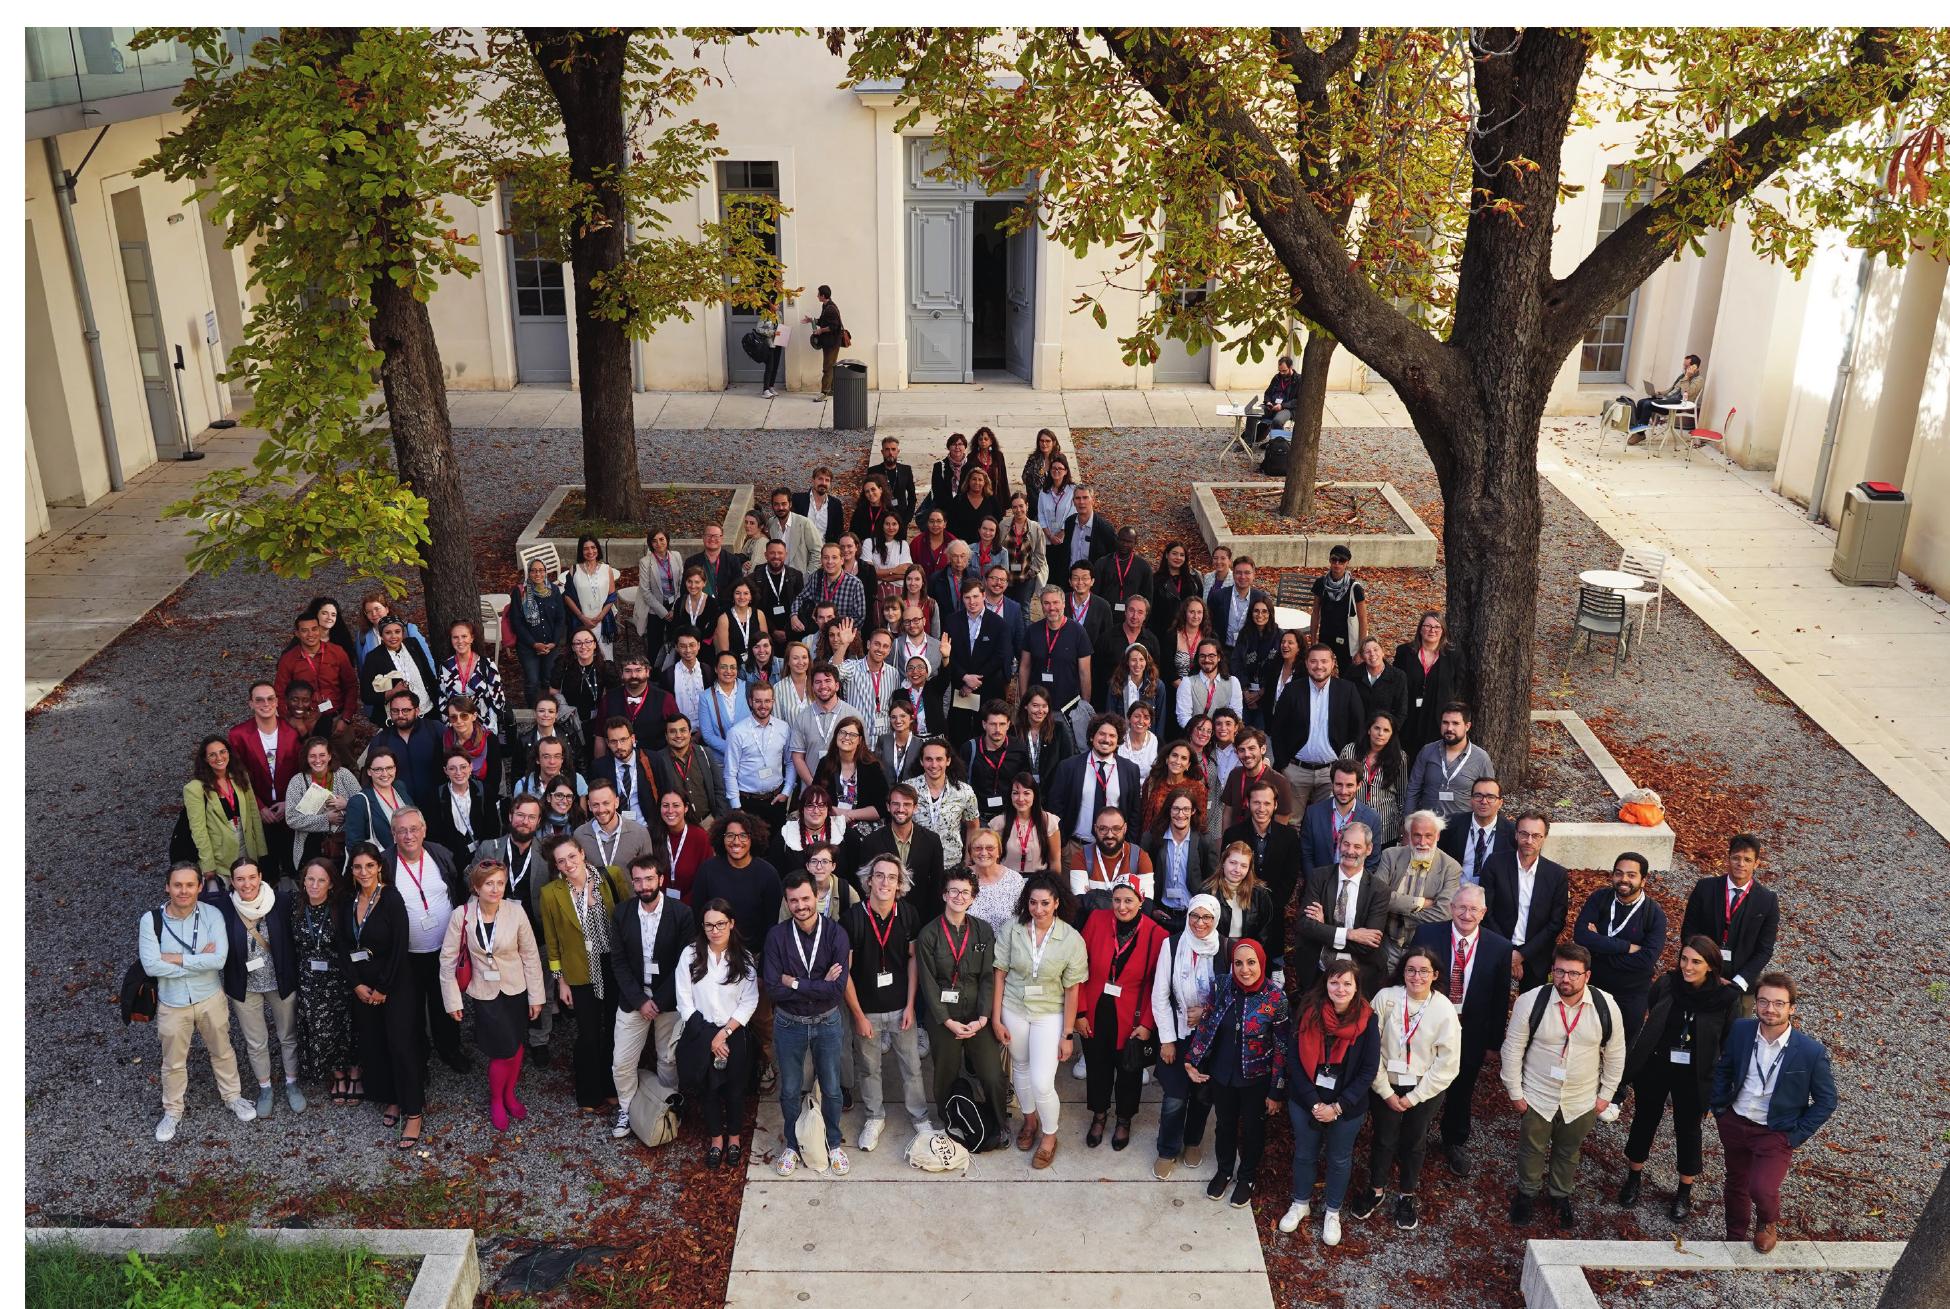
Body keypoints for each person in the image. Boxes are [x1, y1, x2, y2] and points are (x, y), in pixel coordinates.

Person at [1500, 943, 1627, 1227]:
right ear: (1552, 971)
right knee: (1531, 1148)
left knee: (1568, 1151)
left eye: (1573, 973)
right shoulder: (1531, 1002)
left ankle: (1560, 1194)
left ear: (1587, 976)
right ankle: (1527, 1194)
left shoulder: (1606, 1006)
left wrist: (1605, 1096)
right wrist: (1515, 1093)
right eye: (1559, 971)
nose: (1565, 979)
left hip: (1581, 1098)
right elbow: (1512, 1050)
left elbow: (1616, 1054)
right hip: (1537, 1094)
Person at [1709, 973, 1837, 1251]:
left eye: (1779, 1003)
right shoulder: (1741, 1030)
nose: (1770, 1009)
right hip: (1735, 1121)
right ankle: (1734, 1236)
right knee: (1736, 1182)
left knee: (1762, 1188)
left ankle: (1767, 1222)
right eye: (1764, 1001)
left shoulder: (1810, 1051)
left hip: (1775, 1132)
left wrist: (1796, 1136)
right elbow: (1724, 1068)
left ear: (1792, 1008)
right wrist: (1719, 1107)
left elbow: (1827, 1100)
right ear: (1755, 1003)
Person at [1617, 936, 1738, 1219]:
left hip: (1695, 1074)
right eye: (1684, 959)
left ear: (1711, 966)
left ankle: (1684, 1191)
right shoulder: (1667, 984)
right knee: (1644, 1120)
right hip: (1657, 1065)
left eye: (1696, 961)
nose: (1687, 966)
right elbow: (1653, 1009)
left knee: (1688, 1130)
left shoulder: (1727, 998)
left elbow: (1729, 1043)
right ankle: (1633, 1178)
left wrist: (1719, 1089)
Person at [1345, 947, 1461, 1231]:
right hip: (1385, 1083)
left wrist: (1413, 1097)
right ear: (1403, 972)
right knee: (1383, 1138)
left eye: (1424, 971)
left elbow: (1448, 1062)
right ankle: (1376, 1190)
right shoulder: (1386, 999)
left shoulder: (1443, 1008)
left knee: (1414, 1141)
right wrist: (1385, 1091)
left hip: (1424, 1088)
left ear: (1434, 975)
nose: (1417, 976)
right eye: (1411, 970)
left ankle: (1407, 1195)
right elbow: (1370, 1049)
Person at [141, 863, 257, 1141]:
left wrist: (175, 958)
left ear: (199, 887)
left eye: (190, 885)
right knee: (173, 1061)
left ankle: (233, 1097)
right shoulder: (151, 920)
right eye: (178, 885)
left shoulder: (212, 915)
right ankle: (172, 1111)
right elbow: (150, 966)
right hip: (172, 1002)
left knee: (222, 1049)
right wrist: (197, 962)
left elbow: (218, 960)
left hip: (209, 997)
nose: (184, 891)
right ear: (167, 886)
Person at [1410, 884, 1514, 1178]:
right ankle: (1413, 1137)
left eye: (1473, 909)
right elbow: (1412, 979)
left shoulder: (1499, 947)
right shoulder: (1427, 935)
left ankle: (1454, 1141)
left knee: (1462, 1085)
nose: (1466, 914)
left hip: (1472, 1030)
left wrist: (1494, 1041)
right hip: (1429, 1025)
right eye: (1461, 907)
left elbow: (1499, 996)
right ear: (1452, 908)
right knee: (1421, 1079)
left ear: (1483, 913)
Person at [1274, 957, 1378, 1242]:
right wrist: (1314, 1104)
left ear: (1357, 987)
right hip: (1306, 1099)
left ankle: (1332, 1211)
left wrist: (1338, 1107)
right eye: (1334, 982)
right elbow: (1293, 1061)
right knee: (1304, 1154)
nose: (1340, 989)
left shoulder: (1368, 1019)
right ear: (1326, 983)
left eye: (1347, 983)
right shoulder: (1308, 1011)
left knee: (1340, 1159)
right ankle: (1301, 1203)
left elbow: (1369, 1069)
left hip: (1347, 1106)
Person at [440, 859, 546, 1133]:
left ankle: (511, 1093)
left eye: (500, 883)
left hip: (516, 989)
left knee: (517, 1044)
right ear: (476, 887)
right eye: (489, 883)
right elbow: (448, 960)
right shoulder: (461, 916)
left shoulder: (515, 912)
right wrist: (452, 1000)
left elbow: (531, 955)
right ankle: (498, 1099)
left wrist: (537, 996)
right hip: (485, 993)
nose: (496, 889)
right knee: (503, 1050)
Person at [1186, 938, 1291, 1209]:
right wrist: (1192, 1059)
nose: (1245, 969)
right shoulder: (1222, 986)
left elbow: (1282, 1047)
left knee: (1254, 1128)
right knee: (1224, 1125)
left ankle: (1247, 1177)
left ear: (1262, 963)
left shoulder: (1275, 998)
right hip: (1223, 1074)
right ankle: (1224, 1170)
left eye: (1251, 962)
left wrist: (1276, 1090)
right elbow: (1207, 1023)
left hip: (1256, 1078)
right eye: (1239, 963)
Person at [993, 873, 1088, 1169]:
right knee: (1019, 1067)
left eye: (1045, 903)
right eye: (1033, 903)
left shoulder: (1071, 938)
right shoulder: (1012, 929)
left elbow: (1073, 989)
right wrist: (996, 1018)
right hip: (1014, 1007)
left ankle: (1049, 1136)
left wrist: (1067, 1034)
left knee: (1042, 1081)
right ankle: (1029, 1121)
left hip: (1049, 1013)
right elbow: (1000, 973)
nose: (1039, 909)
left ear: (1057, 903)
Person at [765, 870, 854, 1176]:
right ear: (787, 902)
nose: (800, 905)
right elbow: (773, 988)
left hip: (827, 1021)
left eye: (805, 898)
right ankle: (792, 1144)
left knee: (831, 1087)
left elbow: (837, 988)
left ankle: (833, 1142)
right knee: (790, 1089)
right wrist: (812, 983)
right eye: (793, 901)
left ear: (817, 896)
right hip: (789, 1024)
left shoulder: (835, 934)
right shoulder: (777, 936)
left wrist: (795, 983)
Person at [840, 855, 931, 1149]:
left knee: (912, 1067)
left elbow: (913, 961)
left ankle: (920, 1118)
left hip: (900, 1007)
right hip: (866, 1009)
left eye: (892, 877)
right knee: (869, 1069)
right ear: (868, 880)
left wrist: (910, 1006)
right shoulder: (852, 917)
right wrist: (858, 1015)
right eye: (879, 876)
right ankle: (874, 1117)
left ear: (900, 884)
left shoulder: (908, 914)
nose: (885, 882)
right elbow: (845, 973)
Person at [340, 843, 423, 1148]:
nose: (363, 872)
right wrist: (356, 985)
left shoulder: (391, 898)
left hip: (394, 986)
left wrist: (384, 988)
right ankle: (392, 1098)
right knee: (376, 1045)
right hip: (362, 987)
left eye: (369, 866)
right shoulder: (348, 900)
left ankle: (413, 1111)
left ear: (379, 867)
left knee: (401, 1046)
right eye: (357, 867)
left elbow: (401, 946)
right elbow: (343, 947)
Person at [1076, 882, 1169, 1150]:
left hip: (1132, 1014)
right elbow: (1079, 967)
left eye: (1129, 900)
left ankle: (1124, 1119)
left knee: (1129, 1069)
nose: (1122, 907)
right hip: (1095, 1008)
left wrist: (1147, 1024)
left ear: (1141, 901)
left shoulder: (1157, 935)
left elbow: (1157, 985)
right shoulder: (1096, 919)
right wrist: (1080, 1012)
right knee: (1097, 1065)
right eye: (1117, 900)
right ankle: (1099, 1114)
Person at [537, 833, 620, 1115]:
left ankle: (612, 1088)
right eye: (561, 861)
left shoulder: (611, 877)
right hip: (579, 972)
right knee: (588, 1034)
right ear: (556, 866)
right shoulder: (551, 894)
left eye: (572, 856)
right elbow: (552, 942)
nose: (569, 864)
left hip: (613, 967)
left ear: (582, 853)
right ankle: (589, 1092)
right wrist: (560, 981)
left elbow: (629, 916)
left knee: (613, 1030)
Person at [673, 899, 759, 1167]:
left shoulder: (743, 959)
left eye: (721, 924)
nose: (715, 930)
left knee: (735, 1089)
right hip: (701, 1032)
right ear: (703, 927)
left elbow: (750, 1000)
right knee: (707, 1090)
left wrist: (724, 1033)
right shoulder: (689, 955)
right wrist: (710, 1036)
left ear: (731, 924)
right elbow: (683, 1000)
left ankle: (733, 1138)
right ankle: (716, 1139)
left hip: (733, 1031)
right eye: (709, 925)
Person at [1151, 894, 1223, 1177]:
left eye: (1206, 917)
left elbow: (1230, 998)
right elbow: (1160, 996)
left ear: (1215, 919)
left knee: (1203, 1094)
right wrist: (1167, 1039)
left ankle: (1192, 1140)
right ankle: (1167, 1148)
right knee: (1175, 1096)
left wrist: (1206, 1011)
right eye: (1195, 916)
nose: (1200, 923)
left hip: (1211, 1036)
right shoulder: (1171, 945)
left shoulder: (1225, 948)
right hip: (1178, 1033)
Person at [1680, 833, 1781, 1017]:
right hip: (1700, 977)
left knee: (1735, 1037)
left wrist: (1738, 981)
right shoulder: (1705, 888)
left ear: (1756, 863)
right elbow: (1688, 932)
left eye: (1747, 859)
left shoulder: (1767, 901)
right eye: (1736, 858)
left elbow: (1765, 949)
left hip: (1742, 987)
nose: (1741, 864)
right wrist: (1704, 970)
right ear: (1728, 858)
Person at [1573, 852, 1668, 1042]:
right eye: (1619, 873)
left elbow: (1646, 960)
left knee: (1621, 1048)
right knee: (1584, 1041)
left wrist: (1599, 945)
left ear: (1643, 880)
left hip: (1630, 996)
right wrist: (1626, 947)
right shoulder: (1600, 898)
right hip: (1593, 988)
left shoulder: (1654, 914)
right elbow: (1581, 936)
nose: (1623, 879)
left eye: (1631, 875)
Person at [284, 857, 356, 1105]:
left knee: (347, 1027)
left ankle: (355, 1071)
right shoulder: (294, 906)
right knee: (321, 1030)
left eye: (321, 880)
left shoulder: (342, 908)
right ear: (303, 881)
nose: (315, 885)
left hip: (339, 978)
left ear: (331, 884)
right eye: (310, 879)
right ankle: (336, 1073)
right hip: (309, 980)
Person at [1484, 812, 1570, 993]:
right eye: (1524, 834)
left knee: (1531, 1012)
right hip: (1497, 947)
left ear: (1544, 838)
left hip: (1535, 954)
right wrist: (1508, 952)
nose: (1529, 840)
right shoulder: (1495, 863)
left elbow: (1556, 923)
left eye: (1536, 835)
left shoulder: (1557, 875)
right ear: (1515, 834)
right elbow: (1486, 911)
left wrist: (1522, 955)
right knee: (1491, 1009)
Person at [1273, 644, 1365, 811]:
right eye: (1314, 661)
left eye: (1324, 661)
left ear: (1332, 663)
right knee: (1291, 822)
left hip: (1331, 773)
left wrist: (1348, 764)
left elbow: (1358, 729)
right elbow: (1278, 728)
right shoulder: (1293, 689)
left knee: (1325, 824)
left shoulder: (1347, 690)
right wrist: (1284, 765)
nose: (1319, 666)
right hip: (1296, 771)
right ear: (1307, 663)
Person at [1375, 809, 1461, 965]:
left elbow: (1443, 914)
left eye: (1428, 836)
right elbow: (1377, 897)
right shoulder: (1390, 856)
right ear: (1409, 834)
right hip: (1387, 947)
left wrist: (1398, 915)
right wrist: (1419, 903)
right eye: (1417, 835)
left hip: (1425, 951)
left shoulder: (1451, 867)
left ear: (1438, 836)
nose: (1422, 842)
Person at [184, 734, 270, 883]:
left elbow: (254, 814)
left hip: (247, 848)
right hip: (220, 857)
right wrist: (208, 865)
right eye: (212, 754)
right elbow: (199, 830)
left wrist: (261, 851)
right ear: (205, 759)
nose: (219, 757)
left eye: (222, 752)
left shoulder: (240, 777)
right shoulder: (195, 789)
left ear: (229, 753)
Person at [1221, 778, 1303, 918]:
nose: (1261, 809)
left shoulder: (1289, 836)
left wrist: (1272, 906)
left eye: (1267, 803)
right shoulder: (1233, 834)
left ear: (1275, 805)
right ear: (1248, 803)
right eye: (1256, 803)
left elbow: (1290, 877)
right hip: (1237, 909)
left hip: (1273, 912)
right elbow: (1225, 872)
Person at [1404, 702, 1495, 823]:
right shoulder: (1427, 751)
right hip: (1427, 828)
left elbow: (1489, 796)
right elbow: (1413, 788)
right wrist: (1408, 821)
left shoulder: (1481, 758)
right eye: (1445, 723)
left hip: (1462, 829)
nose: (1449, 728)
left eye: (1455, 723)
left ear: (1467, 726)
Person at [1393, 612, 1464, 759]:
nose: (1432, 630)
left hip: (1438, 717)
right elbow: (1397, 682)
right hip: (1410, 716)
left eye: (1437, 627)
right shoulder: (1404, 652)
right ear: (1420, 629)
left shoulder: (1454, 655)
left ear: (1443, 631)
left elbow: (1458, 685)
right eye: (1428, 626)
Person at [722, 683, 792, 832]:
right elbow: (730, 772)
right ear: (750, 702)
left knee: (776, 847)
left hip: (776, 801)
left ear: (773, 702)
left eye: (767, 701)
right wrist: (736, 807)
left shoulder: (783, 728)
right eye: (758, 701)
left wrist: (786, 792)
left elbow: (790, 762)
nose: (763, 706)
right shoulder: (736, 732)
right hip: (748, 803)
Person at [283, 735, 358, 869]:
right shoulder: (297, 782)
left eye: (322, 755)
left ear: (329, 756)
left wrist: (347, 805)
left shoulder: (344, 774)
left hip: (343, 843)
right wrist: (326, 819)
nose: (318, 760)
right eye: (312, 756)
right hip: (310, 846)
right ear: (306, 757)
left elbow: (364, 806)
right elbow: (291, 819)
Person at [1145, 791, 1219, 923]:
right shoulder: (1153, 838)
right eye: (1176, 809)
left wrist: (1201, 912)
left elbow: (1212, 880)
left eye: (1186, 809)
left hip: (1193, 916)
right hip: (1161, 913)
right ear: (1169, 810)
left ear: (1193, 811)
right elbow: (1144, 879)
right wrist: (1152, 909)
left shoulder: (1204, 840)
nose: (1180, 814)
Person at [277, 611, 359, 729]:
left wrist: (346, 718)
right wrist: (290, 721)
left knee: (343, 746)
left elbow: (351, 685)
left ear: (320, 630)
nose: (311, 634)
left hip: (336, 719)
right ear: (297, 634)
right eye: (305, 631)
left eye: (314, 629)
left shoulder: (337, 652)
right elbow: (279, 694)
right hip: (305, 722)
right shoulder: (288, 660)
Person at [1299, 760, 1383, 873]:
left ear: (1359, 785)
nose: (1344, 791)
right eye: (1339, 784)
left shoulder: (1372, 819)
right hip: (1318, 885)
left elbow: (1372, 862)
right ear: (1332, 783)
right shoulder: (1313, 813)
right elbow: (1306, 855)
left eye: (1349, 785)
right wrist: (1315, 884)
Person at [439, 618, 511, 746]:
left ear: (472, 638)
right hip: (457, 730)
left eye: (464, 636)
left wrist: (489, 728)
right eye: (455, 637)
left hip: (484, 729)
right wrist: (452, 725)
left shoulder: (486, 665)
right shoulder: (446, 667)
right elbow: (442, 700)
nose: (460, 641)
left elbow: (498, 700)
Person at [359, 615, 438, 724]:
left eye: (397, 631)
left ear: (403, 633)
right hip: (399, 719)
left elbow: (429, 675)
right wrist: (391, 692)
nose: (393, 636)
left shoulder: (413, 645)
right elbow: (366, 696)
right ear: (381, 635)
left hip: (428, 711)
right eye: (388, 633)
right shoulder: (373, 658)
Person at [371, 684, 442, 805]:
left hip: (438, 804)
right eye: (395, 711)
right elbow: (372, 778)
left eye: (406, 710)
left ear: (417, 710)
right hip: (400, 808)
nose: (400, 715)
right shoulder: (381, 740)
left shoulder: (435, 730)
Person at [1440, 776, 1515, 886]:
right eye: (1478, 796)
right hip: (1455, 894)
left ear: (1500, 803)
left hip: (1492, 897)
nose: (1484, 801)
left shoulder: (1512, 833)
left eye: (1490, 797)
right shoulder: (1451, 825)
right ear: (1471, 800)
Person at [1207, 840, 1278, 955]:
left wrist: (1252, 952)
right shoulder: (1208, 892)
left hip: (1248, 952)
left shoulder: (1260, 894)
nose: (1237, 870)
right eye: (1233, 863)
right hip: (1214, 952)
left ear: (1249, 868)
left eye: (1243, 866)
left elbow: (1265, 931)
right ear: (1223, 862)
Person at [1219, 727, 1295, 829]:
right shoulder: (1235, 774)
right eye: (1242, 750)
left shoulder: (1280, 782)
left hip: (1264, 841)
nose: (1247, 754)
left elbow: (1281, 823)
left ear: (1263, 749)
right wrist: (1226, 842)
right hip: (1236, 840)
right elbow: (1228, 813)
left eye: (1251, 748)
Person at [591, 714, 659, 828]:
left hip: (648, 828)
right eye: (613, 741)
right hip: (615, 831)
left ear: (632, 739)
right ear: (607, 743)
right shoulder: (599, 767)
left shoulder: (652, 760)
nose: (619, 746)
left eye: (623, 740)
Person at [554, 629, 617, 747]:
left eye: (588, 642)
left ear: (594, 645)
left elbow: (614, 696)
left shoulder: (605, 668)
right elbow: (554, 691)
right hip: (568, 721)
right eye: (578, 643)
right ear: (572, 647)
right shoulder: (563, 665)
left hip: (595, 721)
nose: (583, 646)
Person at [442, 692, 505, 804]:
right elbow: (442, 774)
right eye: (453, 717)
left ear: (474, 716)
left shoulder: (489, 740)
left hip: (484, 798)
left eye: (464, 716)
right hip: (454, 799)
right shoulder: (445, 740)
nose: (459, 721)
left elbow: (495, 778)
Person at [1138, 739, 1207, 839]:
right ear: (1167, 759)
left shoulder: (1197, 788)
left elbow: (1200, 823)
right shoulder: (1152, 782)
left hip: (1184, 844)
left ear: (1188, 765)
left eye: (1183, 758)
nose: (1178, 761)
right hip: (1155, 842)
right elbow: (1143, 816)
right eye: (1174, 755)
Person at [1629, 352, 1705, 441]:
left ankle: (1640, 434)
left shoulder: (1698, 380)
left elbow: (1686, 392)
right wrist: (1660, 393)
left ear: (1694, 367)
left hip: (1678, 404)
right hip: (1668, 400)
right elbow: (1672, 389)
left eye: (1686, 366)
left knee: (1647, 404)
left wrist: (1687, 377)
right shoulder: (1682, 376)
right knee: (1641, 402)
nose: (1684, 368)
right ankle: (1637, 428)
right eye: (1684, 365)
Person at [1014, 685, 1077, 790]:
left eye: (1044, 706)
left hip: (1053, 791)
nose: (1040, 710)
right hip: (1022, 791)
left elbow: (1068, 763)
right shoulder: (1014, 731)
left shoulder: (1059, 730)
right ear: (1026, 706)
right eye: (1035, 705)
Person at [1175, 640, 1243, 734]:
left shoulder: (1233, 682)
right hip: (1197, 738)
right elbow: (1183, 717)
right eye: (1202, 656)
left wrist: (1221, 732)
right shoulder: (1187, 682)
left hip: (1223, 737)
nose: (1206, 660)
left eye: (1211, 656)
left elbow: (1236, 716)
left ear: (1219, 657)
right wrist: (1202, 733)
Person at [1343, 636, 1408, 731]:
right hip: (1357, 731)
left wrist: (1390, 732)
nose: (1372, 654)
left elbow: (1401, 711)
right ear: (1362, 656)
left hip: (1384, 733)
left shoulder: (1398, 676)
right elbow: (1345, 704)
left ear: (1382, 652)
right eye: (1367, 652)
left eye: (1375, 649)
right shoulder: (1352, 674)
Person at [763, 487, 823, 578]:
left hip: (800, 579)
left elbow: (818, 552)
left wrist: (808, 576)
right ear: (772, 505)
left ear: (790, 504)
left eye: (784, 504)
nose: (780, 508)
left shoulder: (804, 523)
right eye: (776, 504)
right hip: (777, 577)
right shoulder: (771, 523)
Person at [1058, 484, 1117, 576]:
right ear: (1073, 502)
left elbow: (1113, 558)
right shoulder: (1069, 522)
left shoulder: (1105, 528)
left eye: (1085, 498)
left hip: (1093, 583)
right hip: (1070, 580)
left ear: (1093, 500)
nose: (1081, 502)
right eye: (1077, 498)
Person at [1245, 354, 1301, 445]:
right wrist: (1268, 402)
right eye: (1280, 371)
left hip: (1287, 409)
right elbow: (1267, 393)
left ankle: (1275, 445)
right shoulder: (1277, 377)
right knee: (1252, 413)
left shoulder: (1298, 379)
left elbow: (1297, 400)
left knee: (1277, 421)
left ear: (1291, 367)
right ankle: (1247, 443)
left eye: (1284, 371)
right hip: (1271, 406)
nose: (1281, 373)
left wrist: (1282, 405)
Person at [870, 434, 919, 528]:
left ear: (898, 451)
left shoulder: (906, 470)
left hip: (901, 519)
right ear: (882, 452)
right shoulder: (873, 471)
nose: (890, 453)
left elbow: (912, 497)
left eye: (893, 449)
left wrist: (907, 519)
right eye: (887, 449)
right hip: (880, 519)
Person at [686, 523, 744, 601]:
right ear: (703, 537)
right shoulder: (691, 562)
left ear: (722, 538)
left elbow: (739, 588)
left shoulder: (733, 561)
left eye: (716, 536)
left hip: (725, 609)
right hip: (699, 608)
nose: (712, 539)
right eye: (709, 535)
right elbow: (685, 590)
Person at [1036, 452, 1077, 544]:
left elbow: (1073, 513)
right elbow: (1041, 515)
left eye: (1060, 468)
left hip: (1066, 538)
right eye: (1053, 468)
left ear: (1066, 471)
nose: (1056, 471)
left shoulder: (1073, 491)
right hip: (1047, 539)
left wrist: (1062, 532)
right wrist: (1050, 536)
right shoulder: (1044, 492)